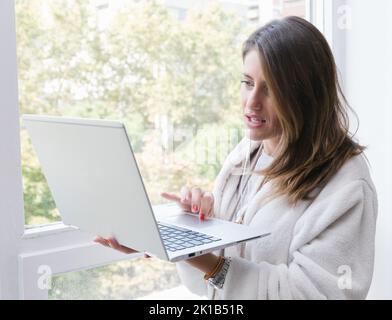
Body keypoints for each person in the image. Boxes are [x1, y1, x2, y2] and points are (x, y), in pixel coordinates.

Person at [95, 16, 378, 300]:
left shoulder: (346, 183)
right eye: (247, 82)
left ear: (305, 94)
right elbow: (210, 285)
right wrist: (194, 229)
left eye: (271, 89)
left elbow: (315, 295)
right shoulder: (246, 154)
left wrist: (206, 261)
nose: (251, 102)